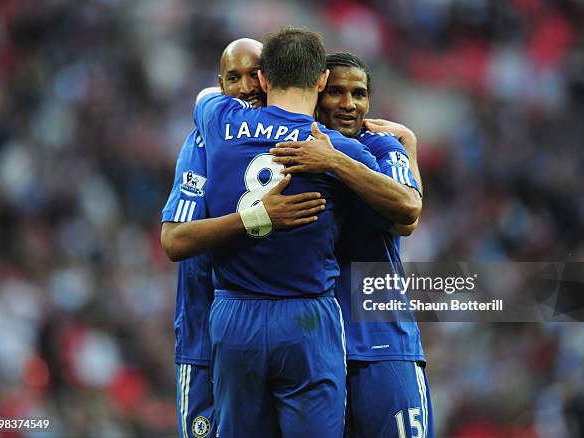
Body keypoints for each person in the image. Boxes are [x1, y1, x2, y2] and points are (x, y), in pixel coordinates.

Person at [193, 27, 416, 438]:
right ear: (319, 82)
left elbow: (205, 97)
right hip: (307, 317)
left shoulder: (218, 119)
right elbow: (406, 210)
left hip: (233, 314)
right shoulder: (336, 147)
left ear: (261, 80)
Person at [160, 38, 325, 438]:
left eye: (255, 75)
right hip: (205, 335)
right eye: (234, 78)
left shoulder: (308, 141)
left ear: (270, 79)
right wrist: (254, 217)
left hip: (286, 335)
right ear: (221, 84)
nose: (247, 86)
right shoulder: (204, 142)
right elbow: (175, 240)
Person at [271, 52, 433, 437]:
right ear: (316, 93)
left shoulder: (379, 147)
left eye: (358, 94)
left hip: (382, 340)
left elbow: (406, 214)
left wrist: (336, 161)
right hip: (311, 347)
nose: (348, 104)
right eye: (337, 92)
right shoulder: (285, 147)